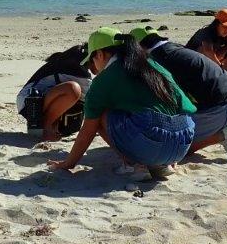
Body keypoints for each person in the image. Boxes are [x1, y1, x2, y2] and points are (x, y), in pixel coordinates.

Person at [48, 28, 197, 181]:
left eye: (92, 61)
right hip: (182, 144)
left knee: (100, 114)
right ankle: (160, 165)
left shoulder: (105, 78)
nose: (93, 69)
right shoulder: (153, 65)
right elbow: (187, 107)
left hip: (152, 145)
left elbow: (88, 129)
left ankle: (133, 164)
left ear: (100, 54)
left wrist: (68, 164)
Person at [131, 26, 227, 160]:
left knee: (175, 148)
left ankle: (224, 135)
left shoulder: (157, 60)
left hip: (219, 109)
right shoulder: (174, 48)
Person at [15, 43, 91, 140]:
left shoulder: (68, 61)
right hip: (30, 103)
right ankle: (46, 127)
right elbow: (91, 96)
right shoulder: (74, 67)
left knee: (75, 94)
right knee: (73, 89)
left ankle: (50, 125)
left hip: (35, 99)